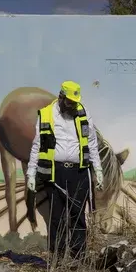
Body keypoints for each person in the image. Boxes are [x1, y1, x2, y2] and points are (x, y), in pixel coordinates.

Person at [26, 80, 103, 260]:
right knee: (57, 217)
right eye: (69, 102)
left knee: (78, 216)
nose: (72, 105)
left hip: (79, 172)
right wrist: (31, 173)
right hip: (55, 172)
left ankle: (79, 256)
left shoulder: (84, 114)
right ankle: (58, 257)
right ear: (61, 97)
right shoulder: (46, 114)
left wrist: (98, 170)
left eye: (74, 102)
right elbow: (37, 145)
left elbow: (92, 143)